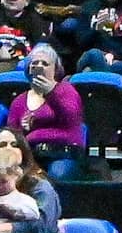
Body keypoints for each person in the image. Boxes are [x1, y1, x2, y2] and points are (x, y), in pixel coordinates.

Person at [7, 44, 87, 180]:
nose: (40, 66)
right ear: (28, 69)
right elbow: (11, 134)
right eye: (35, 63)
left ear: (55, 70)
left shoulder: (66, 90)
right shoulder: (19, 101)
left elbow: (71, 119)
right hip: (31, 156)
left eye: (45, 63)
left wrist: (50, 92)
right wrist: (23, 130)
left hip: (63, 155)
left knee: (57, 174)